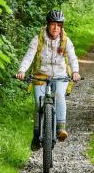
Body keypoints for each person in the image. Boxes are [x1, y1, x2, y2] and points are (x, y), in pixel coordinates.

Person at [16, 10, 81, 150]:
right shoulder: (38, 39)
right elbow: (29, 56)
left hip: (60, 75)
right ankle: (36, 134)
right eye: (53, 24)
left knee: (59, 96)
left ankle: (60, 128)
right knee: (39, 103)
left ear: (62, 26)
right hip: (40, 75)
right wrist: (22, 70)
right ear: (47, 25)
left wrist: (75, 72)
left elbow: (72, 57)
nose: (55, 28)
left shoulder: (65, 40)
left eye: (58, 25)